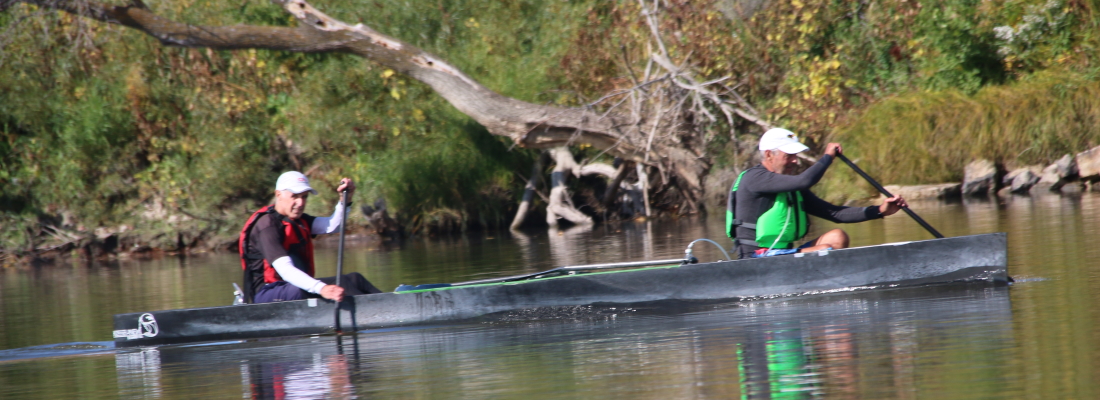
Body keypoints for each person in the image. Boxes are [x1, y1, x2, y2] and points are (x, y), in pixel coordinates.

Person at [726, 128, 908, 259]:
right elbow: (805, 180)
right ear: (768, 155)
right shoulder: (755, 178)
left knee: (838, 236)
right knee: (825, 249)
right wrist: (827, 157)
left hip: (782, 255)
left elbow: (835, 213)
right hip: (755, 258)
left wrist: (879, 211)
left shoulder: (789, 189)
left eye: (796, 155)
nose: (795, 161)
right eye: (789, 155)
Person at [238, 171, 383, 303]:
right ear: (278, 194)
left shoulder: (297, 220)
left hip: (291, 288)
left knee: (355, 279)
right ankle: (379, 311)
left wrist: (345, 200)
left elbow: (333, 226)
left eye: (304, 197)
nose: (300, 203)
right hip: (267, 294)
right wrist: (322, 288)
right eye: (294, 196)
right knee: (340, 284)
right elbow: (286, 270)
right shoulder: (266, 226)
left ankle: (389, 303)